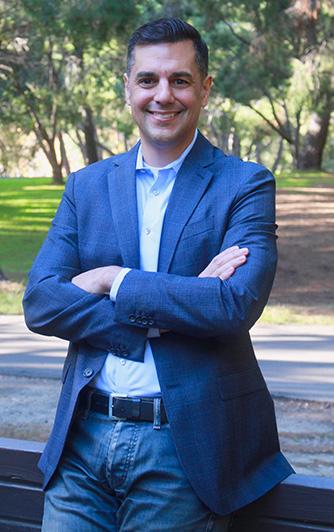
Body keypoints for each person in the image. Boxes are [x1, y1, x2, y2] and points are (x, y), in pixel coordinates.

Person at [23, 17, 293, 531]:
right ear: (127, 87)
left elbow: (233, 305)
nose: (162, 95)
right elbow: (39, 301)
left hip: (182, 451)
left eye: (180, 80)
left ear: (205, 88)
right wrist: (171, 308)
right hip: (82, 445)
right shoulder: (88, 186)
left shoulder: (245, 184)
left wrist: (110, 280)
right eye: (148, 79)